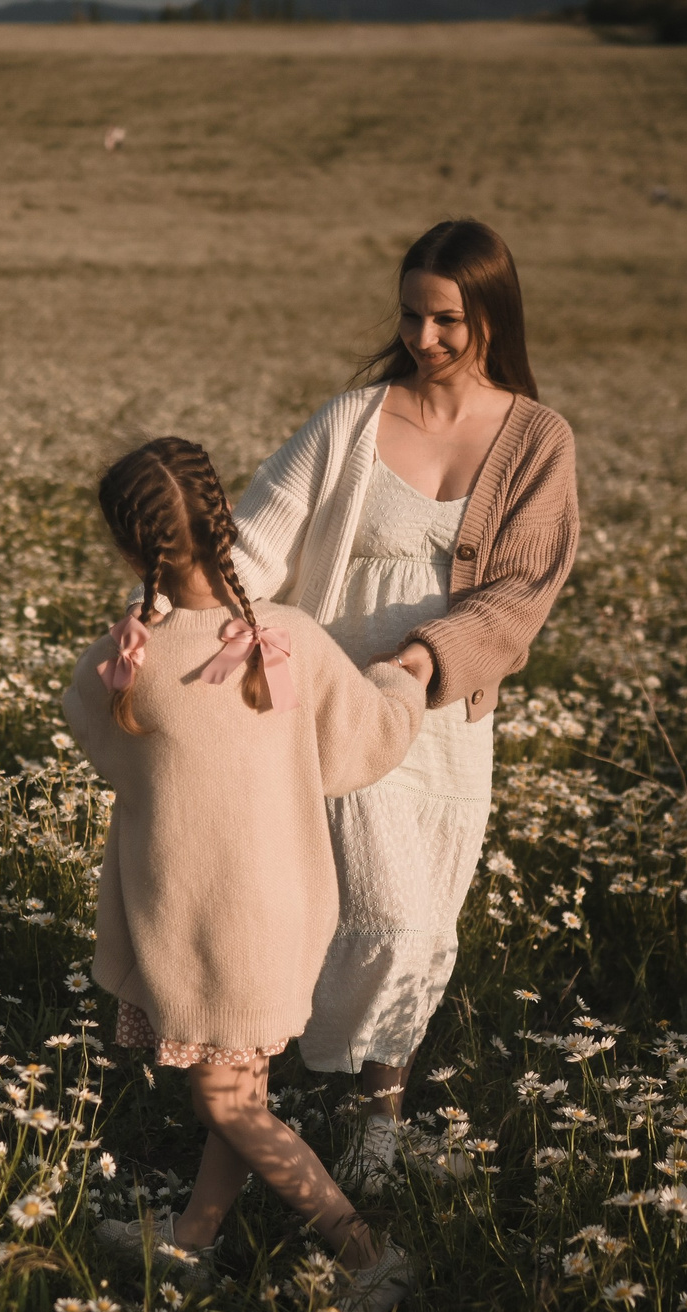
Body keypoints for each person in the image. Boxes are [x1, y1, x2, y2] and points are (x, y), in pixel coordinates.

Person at [227, 220, 580, 1192]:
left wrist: (424, 667)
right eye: (411, 317)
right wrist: (185, 617)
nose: (424, 340)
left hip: (447, 722)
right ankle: (301, 1116)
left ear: (490, 318)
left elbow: (517, 595)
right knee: (385, 916)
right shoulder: (349, 419)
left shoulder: (536, 439)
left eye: (447, 322)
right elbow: (257, 542)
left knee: (426, 920)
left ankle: (366, 1129)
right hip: (335, 711)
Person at [64, 438, 427, 1312]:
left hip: (204, 925)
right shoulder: (293, 639)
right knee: (243, 1090)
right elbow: (362, 744)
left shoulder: (130, 662)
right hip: (285, 912)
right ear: (225, 521)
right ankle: (192, 1237)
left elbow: (93, 734)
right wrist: (403, 679)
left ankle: (368, 1254)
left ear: (128, 548)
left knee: (225, 1100)